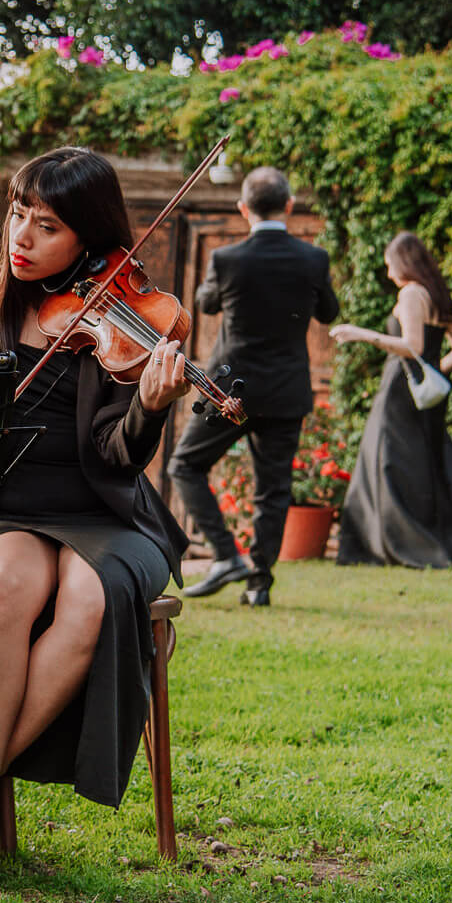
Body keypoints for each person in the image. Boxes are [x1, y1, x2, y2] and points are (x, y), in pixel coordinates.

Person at [0, 147, 191, 893]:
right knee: (6, 582)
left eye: (48, 226)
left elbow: (114, 456)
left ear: (90, 240)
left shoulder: (122, 319)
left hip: (104, 515)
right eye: (18, 214)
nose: (22, 237)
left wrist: (150, 407)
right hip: (1, 514)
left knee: (91, 595)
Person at [167, 166, 339, 607]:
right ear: (289, 205)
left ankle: (226, 555)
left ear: (243, 208)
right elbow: (328, 314)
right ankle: (258, 584)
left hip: (232, 390)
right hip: (285, 391)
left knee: (184, 466)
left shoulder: (227, 260)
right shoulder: (313, 259)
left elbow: (205, 303)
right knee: (273, 488)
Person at [328, 231, 452, 568]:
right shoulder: (439, 296)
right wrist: (434, 376)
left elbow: (412, 346)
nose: (390, 274)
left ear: (403, 263)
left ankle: (393, 542)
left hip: (401, 388)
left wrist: (361, 334)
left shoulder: (411, 294)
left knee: (386, 459)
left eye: (390, 266)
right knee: (428, 463)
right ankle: (441, 536)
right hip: (430, 394)